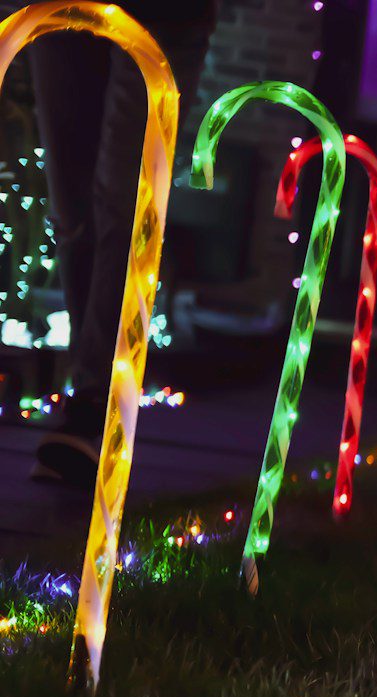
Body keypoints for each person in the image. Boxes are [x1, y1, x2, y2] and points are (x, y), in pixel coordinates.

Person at [29, 0, 218, 487]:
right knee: (71, 211)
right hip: (60, 11)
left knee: (124, 206)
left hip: (164, 14)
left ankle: (92, 408)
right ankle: (90, 392)